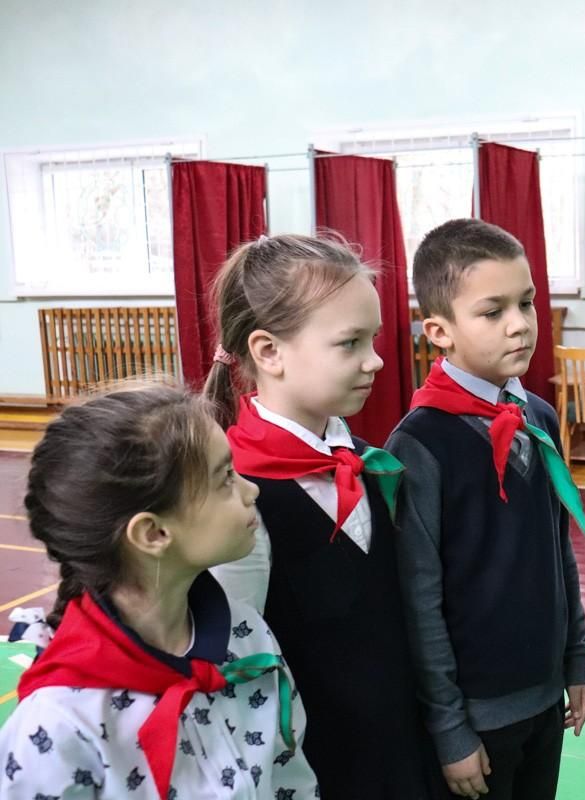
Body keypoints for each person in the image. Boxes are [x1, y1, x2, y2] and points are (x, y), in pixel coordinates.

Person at [204, 234, 441, 799]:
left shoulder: (366, 461)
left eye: (373, 339)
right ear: (269, 352)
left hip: (400, 748)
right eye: (349, 343)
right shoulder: (238, 499)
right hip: (316, 767)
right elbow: (235, 668)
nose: (375, 360)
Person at [0, 384, 319, 799]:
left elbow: (291, 778)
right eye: (225, 478)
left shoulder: (247, 636)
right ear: (153, 533)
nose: (250, 490)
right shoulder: (58, 725)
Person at [385, 219, 585, 800]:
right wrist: (450, 728)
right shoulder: (419, 445)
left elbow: (557, 551)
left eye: (526, 302)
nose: (520, 324)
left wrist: (576, 659)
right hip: (475, 721)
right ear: (439, 331)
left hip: (545, 699)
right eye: (492, 311)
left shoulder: (539, 417)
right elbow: (419, 599)